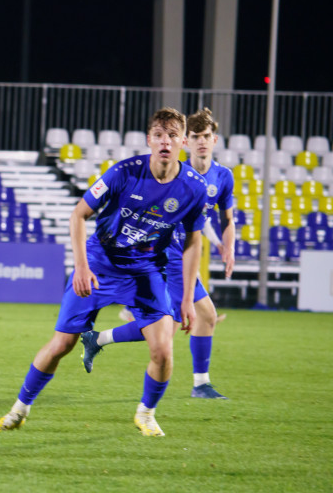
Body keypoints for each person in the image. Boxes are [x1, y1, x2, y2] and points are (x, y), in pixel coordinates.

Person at [0, 107, 209, 437]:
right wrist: (81, 266)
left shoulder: (194, 188)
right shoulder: (123, 173)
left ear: (183, 142)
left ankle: (146, 414)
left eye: (173, 136)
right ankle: (19, 410)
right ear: (149, 139)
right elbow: (78, 216)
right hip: (100, 265)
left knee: (163, 349)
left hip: (145, 271)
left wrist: (188, 298)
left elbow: (194, 242)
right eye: (160, 135)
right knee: (62, 345)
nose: (166, 142)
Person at [79, 108, 236, 399]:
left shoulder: (222, 177)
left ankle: (98, 339)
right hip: (170, 256)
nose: (201, 142)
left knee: (176, 324)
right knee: (193, 319)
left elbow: (228, 219)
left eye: (206, 137)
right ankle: (200, 384)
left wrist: (230, 246)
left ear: (215, 140)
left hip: (186, 255)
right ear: (186, 142)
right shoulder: (175, 172)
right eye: (195, 137)